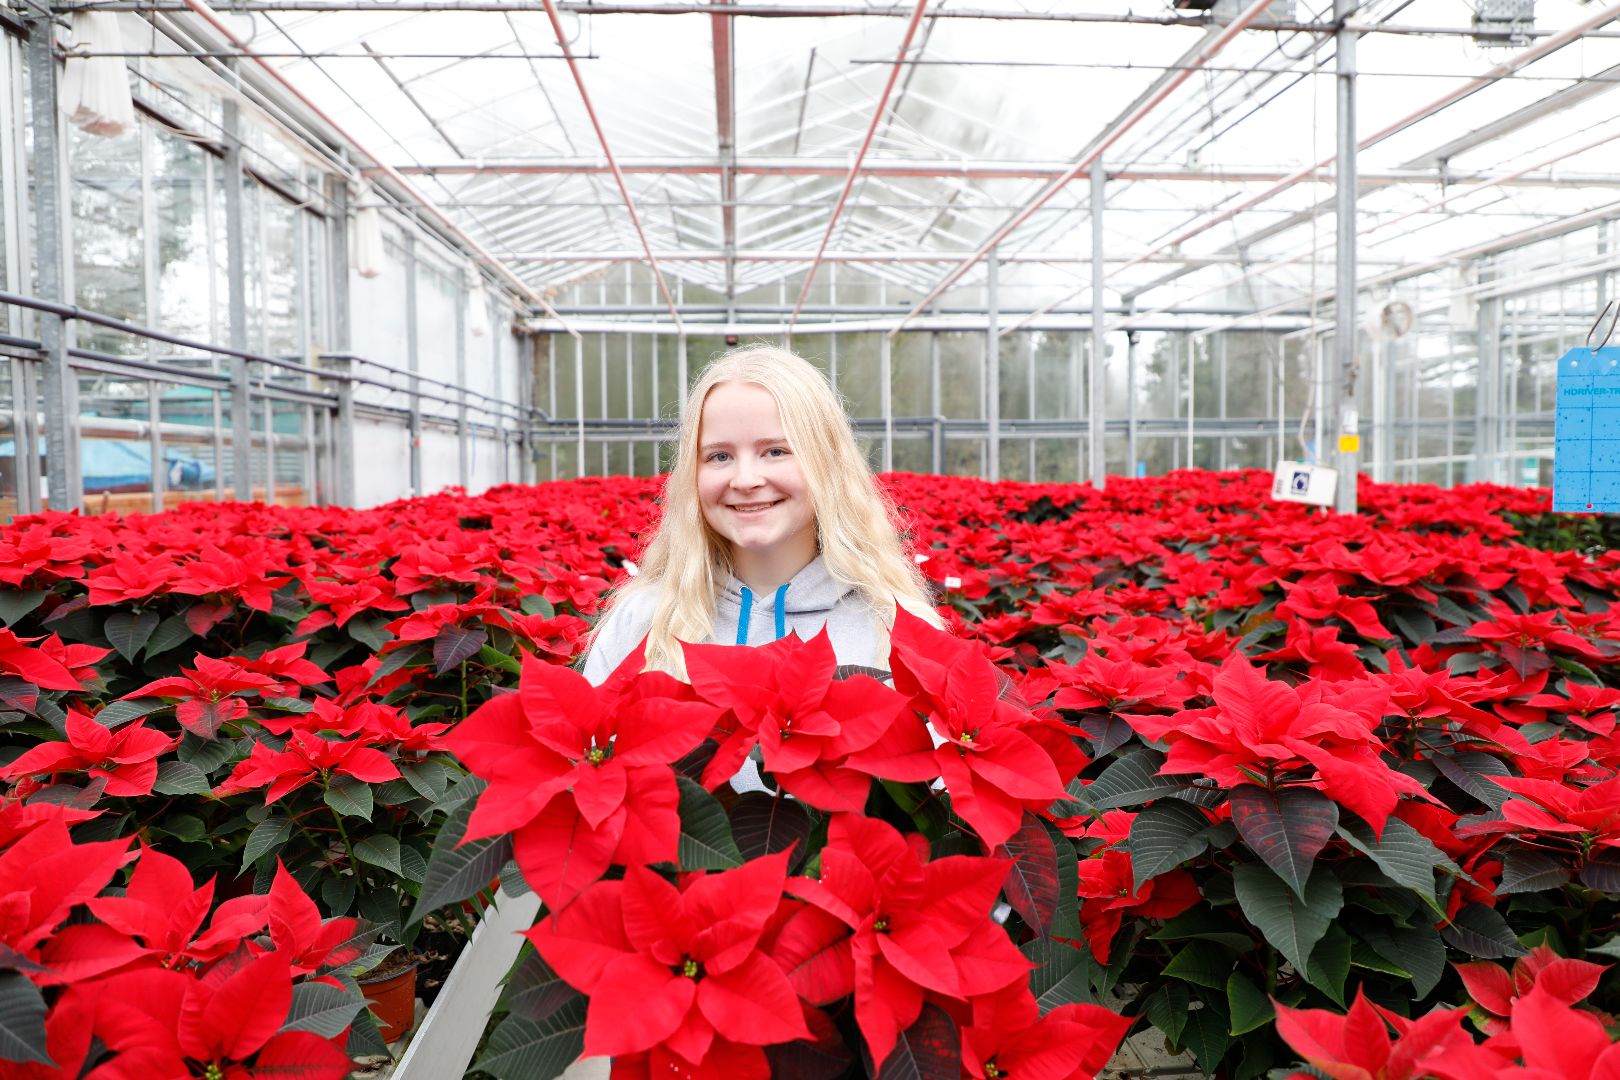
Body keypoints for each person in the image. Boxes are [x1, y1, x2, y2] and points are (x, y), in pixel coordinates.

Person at [580, 343, 942, 687]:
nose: (746, 479)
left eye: (775, 451)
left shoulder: (893, 627)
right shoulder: (642, 621)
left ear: (826, 463)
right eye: (720, 456)